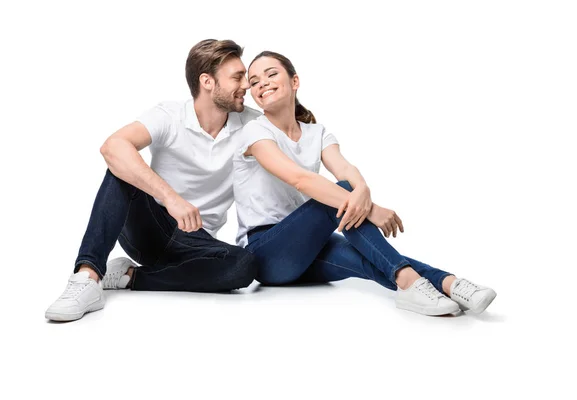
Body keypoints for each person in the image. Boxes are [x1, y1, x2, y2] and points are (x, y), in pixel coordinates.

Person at [233, 51, 497, 316]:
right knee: (340, 195)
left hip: (308, 246)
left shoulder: (317, 132)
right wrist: (369, 208)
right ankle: (413, 283)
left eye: (271, 74)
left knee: (367, 256)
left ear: (295, 81)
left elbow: (346, 169)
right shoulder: (255, 131)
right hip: (267, 252)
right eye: (254, 82)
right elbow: (300, 179)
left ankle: (448, 285)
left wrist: (364, 191)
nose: (262, 84)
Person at [45, 39, 261, 322]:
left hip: (198, 242)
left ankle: (130, 277)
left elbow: (292, 133)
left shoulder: (252, 125)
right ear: (207, 81)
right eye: (237, 77)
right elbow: (112, 146)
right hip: (150, 227)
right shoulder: (169, 115)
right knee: (120, 168)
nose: (246, 85)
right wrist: (172, 199)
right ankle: (87, 276)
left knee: (243, 265)